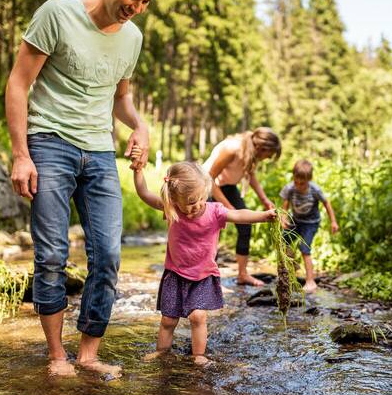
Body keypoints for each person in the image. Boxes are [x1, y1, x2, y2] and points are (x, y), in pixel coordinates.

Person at [4, 0, 165, 378]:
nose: (136, 7)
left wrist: (141, 127)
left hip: (98, 150)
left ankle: (89, 354)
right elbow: (18, 84)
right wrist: (21, 154)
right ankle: (57, 356)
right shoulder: (56, 14)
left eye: (146, 2)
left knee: (109, 254)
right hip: (49, 143)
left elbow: (122, 98)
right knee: (53, 254)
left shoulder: (133, 38)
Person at [131, 155, 276, 365]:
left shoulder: (214, 211)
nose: (197, 205)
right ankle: (162, 353)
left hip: (202, 275)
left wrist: (263, 216)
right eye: (190, 202)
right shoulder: (171, 209)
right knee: (168, 320)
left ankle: (198, 355)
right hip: (175, 274)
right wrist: (138, 171)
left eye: (201, 198)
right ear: (174, 199)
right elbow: (144, 194)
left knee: (198, 316)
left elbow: (239, 215)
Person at [202, 127, 282, 286]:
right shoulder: (232, 148)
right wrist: (229, 207)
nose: (269, 158)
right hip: (206, 187)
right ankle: (208, 280)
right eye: (270, 154)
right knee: (212, 232)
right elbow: (209, 178)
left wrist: (264, 199)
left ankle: (242, 274)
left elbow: (251, 175)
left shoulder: (251, 152)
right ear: (262, 147)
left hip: (228, 187)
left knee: (245, 226)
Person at [279, 159, 339, 294]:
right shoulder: (290, 188)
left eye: (302, 183)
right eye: (296, 182)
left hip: (311, 223)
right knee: (283, 240)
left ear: (309, 179)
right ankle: (292, 265)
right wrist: (283, 218)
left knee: (304, 248)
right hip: (296, 220)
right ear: (293, 177)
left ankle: (310, 281)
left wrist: (333, 221)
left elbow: (326, 204)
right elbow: (285, 204)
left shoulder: (315, 189)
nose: (299, 186)